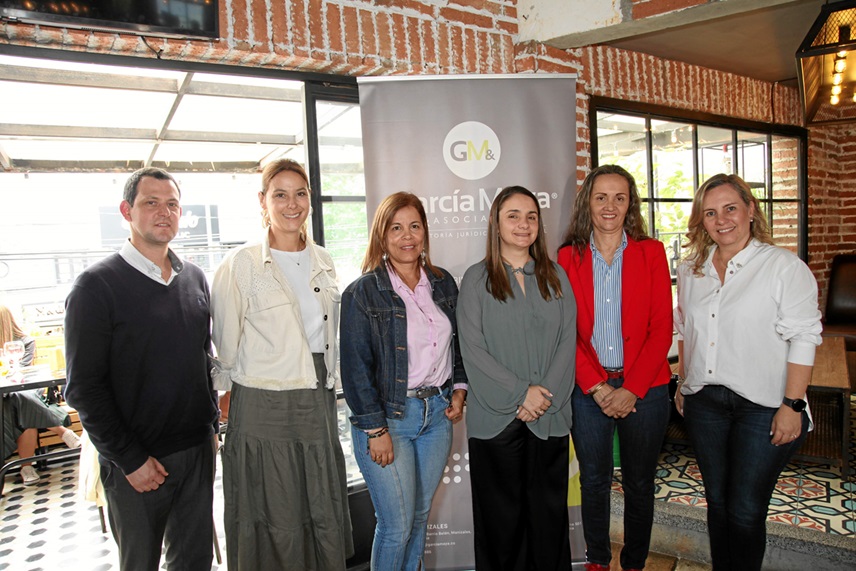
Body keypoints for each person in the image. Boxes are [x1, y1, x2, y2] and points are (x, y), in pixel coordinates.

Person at [64, 167, 219, 571]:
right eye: (150, 203)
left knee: (194, 561)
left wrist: (211, 430)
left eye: (172, 204)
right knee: (140, 563)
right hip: (137, 462)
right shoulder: (95, 287)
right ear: (126, 211)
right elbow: (84, 388)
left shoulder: (195, 279)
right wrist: (130, 459)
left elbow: (203, 357)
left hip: (196, 452)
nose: (163, 212)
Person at [674, 173, 822, 571]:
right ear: (700, 221)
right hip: (705, 402)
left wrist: (792, 404)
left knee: (744, 508)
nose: (721, 220)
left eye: (730, 208)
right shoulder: (693, 269)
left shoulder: (783, 267)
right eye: (710, 213)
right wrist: (683, 384)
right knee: (718, 503)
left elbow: (804, 338)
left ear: (751, 210)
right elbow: (685, 328)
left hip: (764, 405)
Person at [211, 158, 353, 570]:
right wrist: (226, 400)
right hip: (263, 401)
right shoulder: (241, 264)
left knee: (318, 503)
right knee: (273, 505)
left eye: (300, 193)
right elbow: (226, 345)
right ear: (263, 201)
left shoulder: (323, 259)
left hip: (317, 399)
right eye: (280, 194)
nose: (292, 204)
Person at [340, 192, 467, 571]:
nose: (406, 236)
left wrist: (459, 389)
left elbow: (458, 346)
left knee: (419, 516)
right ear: (382, 236)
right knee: (395, 526)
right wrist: (375, 429)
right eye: (396, 228)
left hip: (437, 416)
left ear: (425, 233)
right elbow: (355, 369)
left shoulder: (444, 284)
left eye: (414, 226)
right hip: (389, 419)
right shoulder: (362, 292)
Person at [557, 165, 672, 571]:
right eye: (601, 197)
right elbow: (563, 331)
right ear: (587, 202)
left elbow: (662, 330)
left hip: (648, 390)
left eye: (619, 198)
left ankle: (635, 562)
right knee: (594, 481)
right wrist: (598, 387)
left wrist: (631, 389)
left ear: (630, 204)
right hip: (589, 390)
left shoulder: (651, 252)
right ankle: (598, 561)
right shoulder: (566, 257)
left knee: (640, 483)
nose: (610, 206)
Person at [457, 185, 576, 571]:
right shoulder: (476, 279)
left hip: (550, 416)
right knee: (500, 526)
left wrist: (544, 397)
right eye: (513, 215)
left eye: (531, 216)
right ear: (496, 222)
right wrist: (520, 394)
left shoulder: (555, 275)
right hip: (496, 421)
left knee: (548, 520)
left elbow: (567, 340)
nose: (523, 224)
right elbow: (472, 349)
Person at [1, 304, 80, 485]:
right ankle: (61, 432)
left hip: (27, 393)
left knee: (20, 401)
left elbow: (23, 374)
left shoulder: (24, 342)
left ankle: (26, 467)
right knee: (23, 413)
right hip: (8, 402)